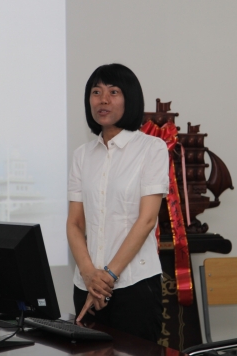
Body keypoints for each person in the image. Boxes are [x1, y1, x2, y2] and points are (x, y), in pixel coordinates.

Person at [66, 63, 169, 342]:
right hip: (87, 286)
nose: (103, 100)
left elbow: (147, 220)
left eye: (113, 92)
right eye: (96, 92)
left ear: (130, 99)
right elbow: (75, 223)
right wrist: (89, 274)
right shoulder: (82, 155)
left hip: (134, 285)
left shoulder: (152, 148)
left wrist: (108, 276)